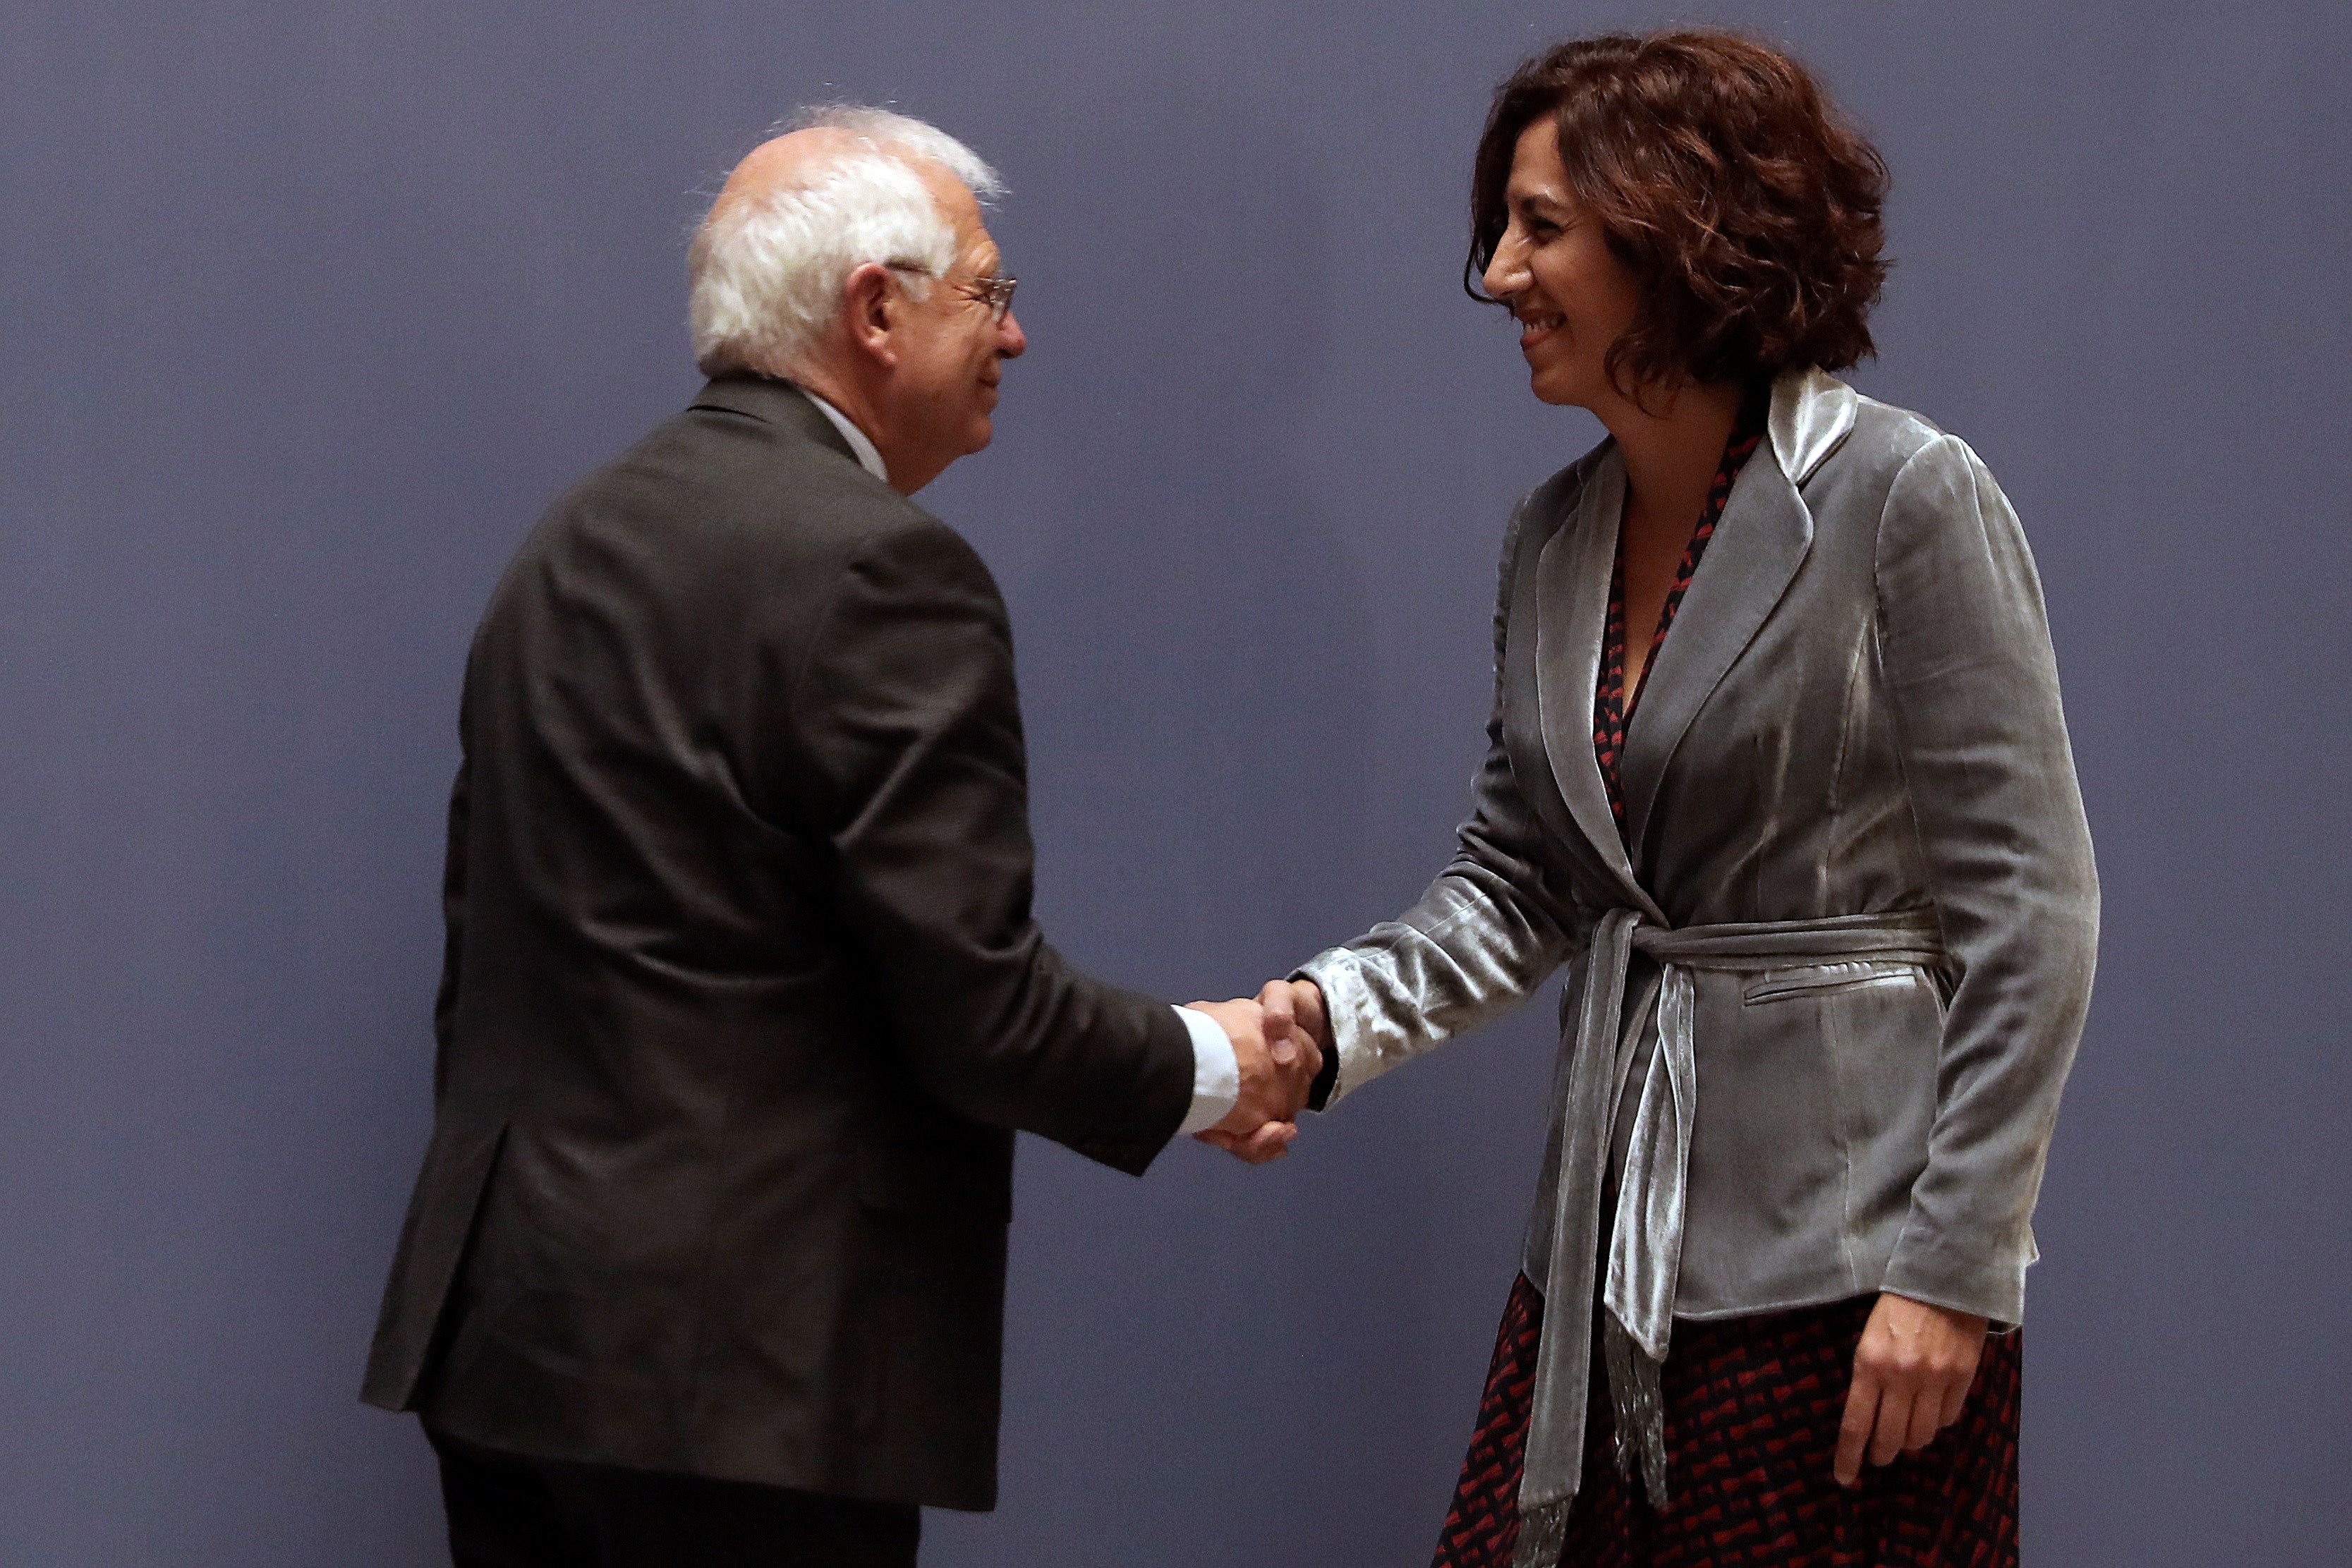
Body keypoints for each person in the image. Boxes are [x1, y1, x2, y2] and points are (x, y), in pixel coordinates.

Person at [359, 107, 1316, 1567]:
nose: (1014, 336)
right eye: (988, 292)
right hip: (739, 1382)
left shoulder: (568, 540)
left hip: (508, 1340)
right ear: (876, 308)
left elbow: (490, 964)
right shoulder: (883, 568)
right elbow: (976, 1008)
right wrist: (1209, 1064)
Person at [1234, 31, 2097, 1568]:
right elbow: (1516, 879)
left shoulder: (1905, 495)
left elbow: (2031, 916)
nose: (1496, 273)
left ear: (1678, 231)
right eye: (1500, 228)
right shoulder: (1550, 536)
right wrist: (1324, 1018)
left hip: (1851, 1282)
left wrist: (1953, 1270)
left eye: (1540, 226)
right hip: (1601, 1256)